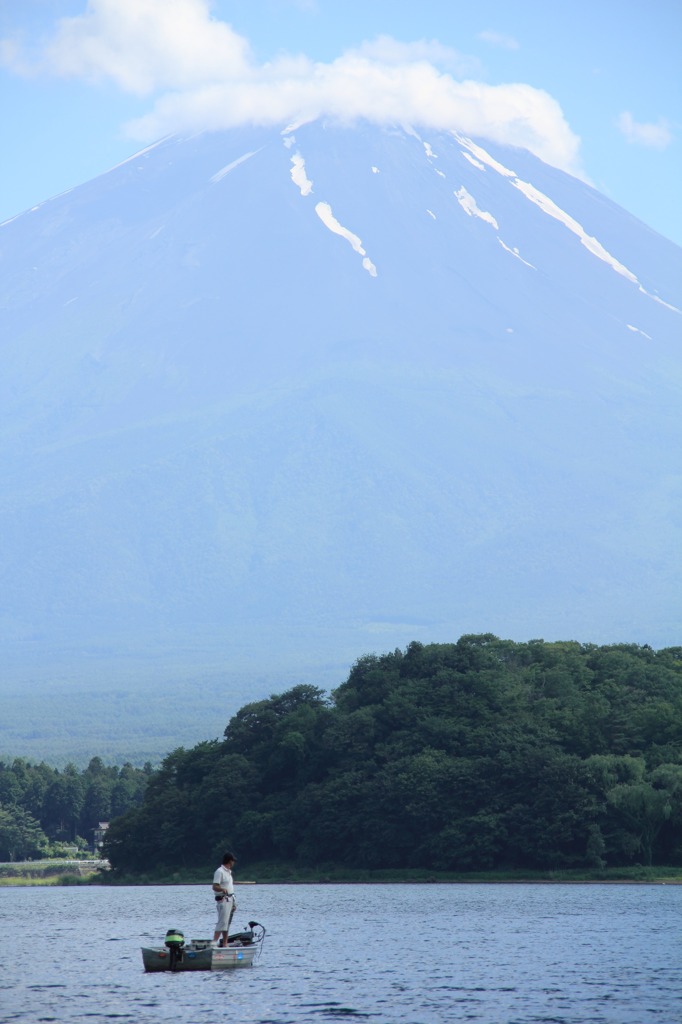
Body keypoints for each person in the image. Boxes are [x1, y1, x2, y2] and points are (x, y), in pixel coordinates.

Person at [212, 851, 237, 947]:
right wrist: (222, 889)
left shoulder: (229, 872)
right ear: (229, 861)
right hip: (223, 900)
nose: (233, 863)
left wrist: (234, 903)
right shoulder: (219, 871)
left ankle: (225, 944)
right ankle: (213, 944)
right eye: (233, 861)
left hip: (231, 899)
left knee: (227, 924)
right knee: (222, 923)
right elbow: (214, 886)